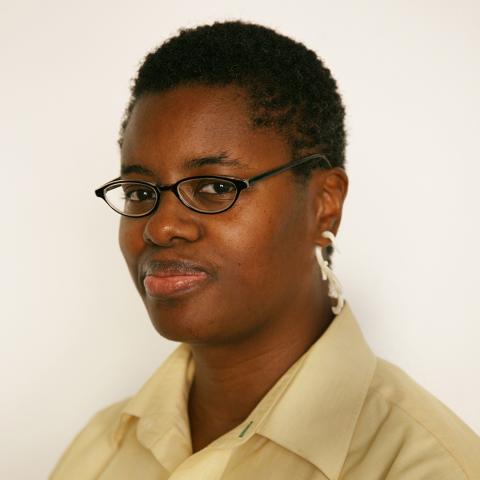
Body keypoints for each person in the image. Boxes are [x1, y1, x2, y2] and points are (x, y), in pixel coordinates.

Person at [50, 21, 480, 479]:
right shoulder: (99, 450)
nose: (161, 226)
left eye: (215, 186)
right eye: (139, 193)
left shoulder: (429, 465)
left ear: (324, 205)